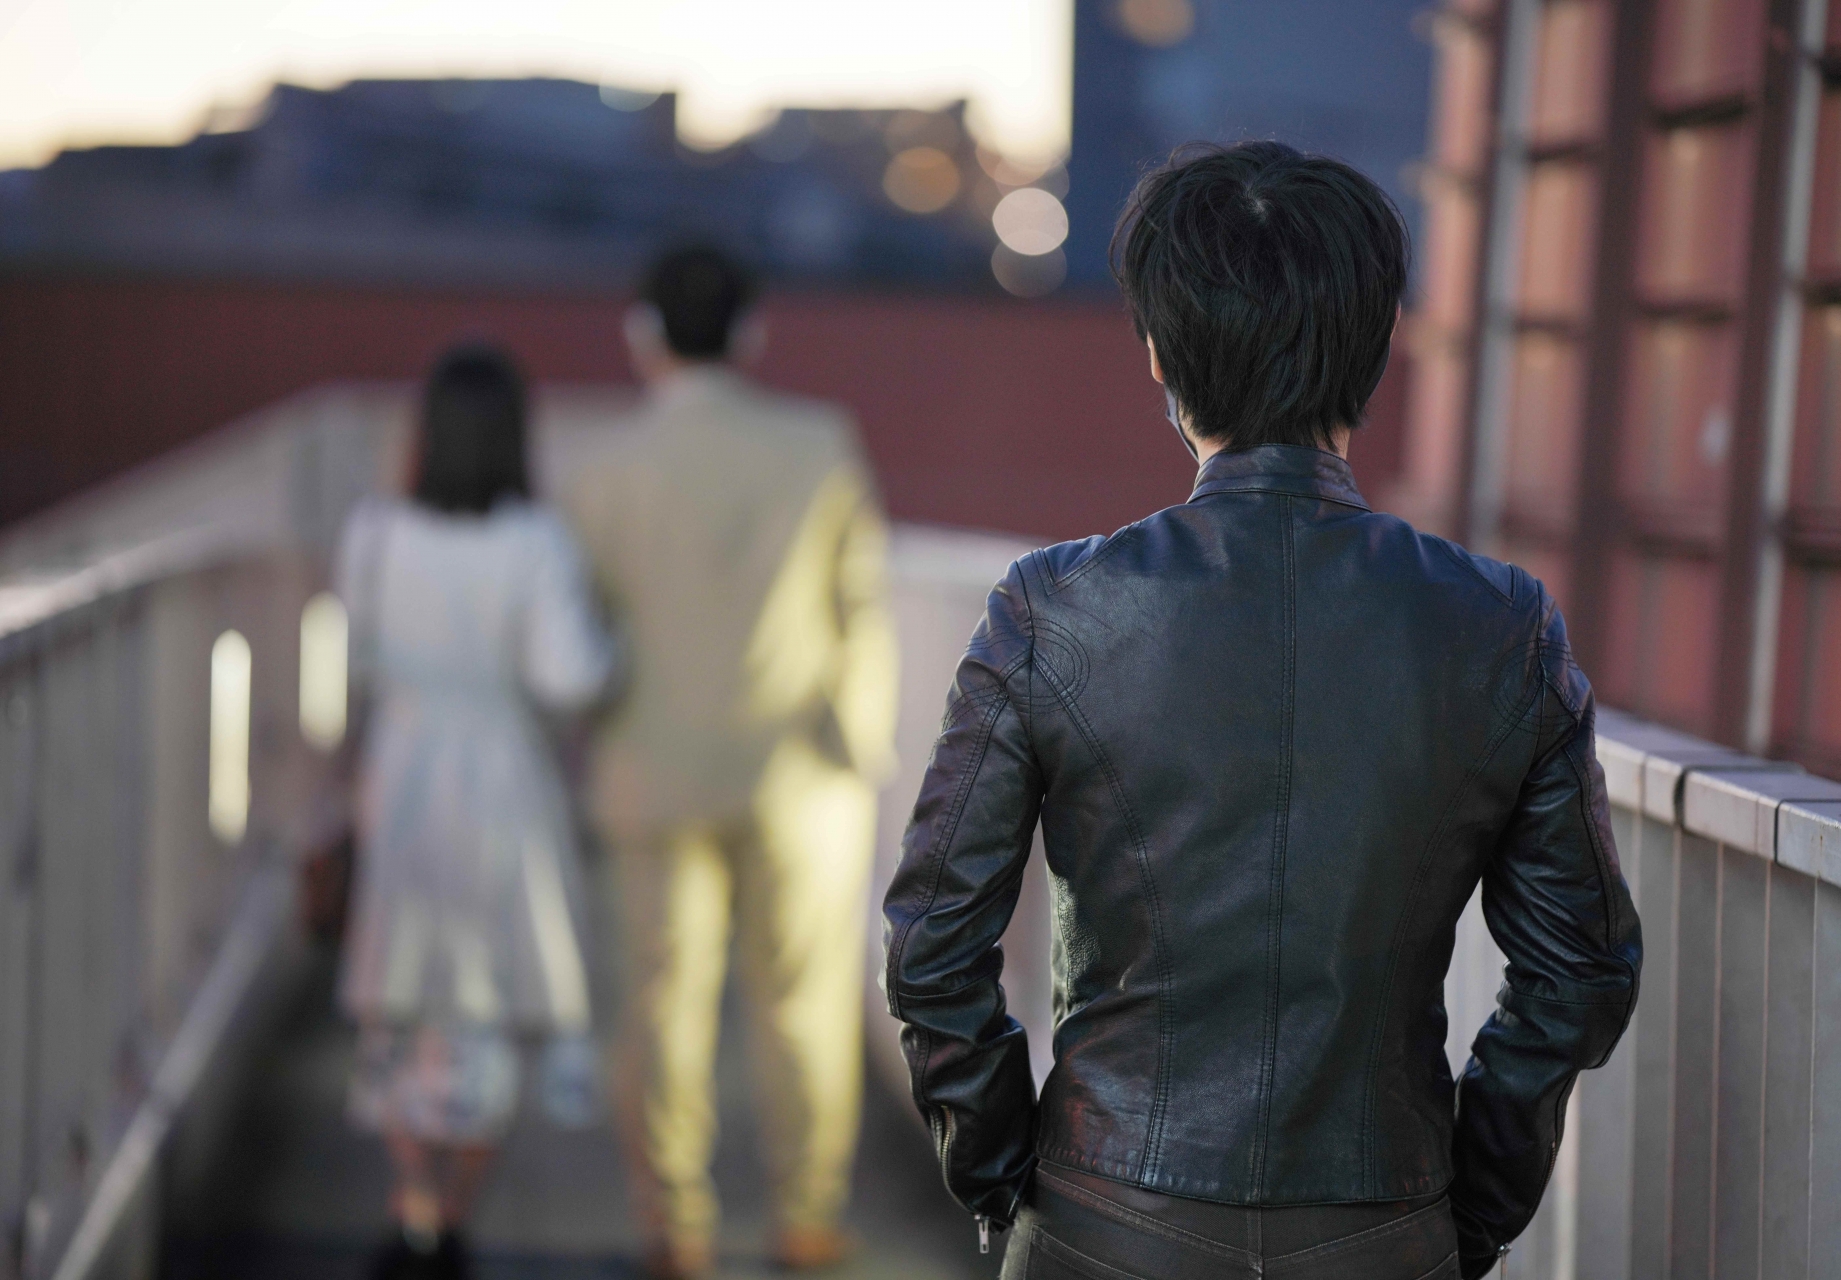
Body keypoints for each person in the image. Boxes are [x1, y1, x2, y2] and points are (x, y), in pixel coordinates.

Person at [883, 141, 1643, 1280]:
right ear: (1376, 347)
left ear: (1159, 351)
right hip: (1385, 1225)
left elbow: (934, 947)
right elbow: (1578, 970)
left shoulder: (1053, 610)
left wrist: (1001, 1176)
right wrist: (1466, 1211)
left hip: (1104, 1217)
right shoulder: (1499, 624)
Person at [569, 246, 898, 1277]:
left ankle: (676, 1227)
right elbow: (861, 601)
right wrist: (860, 744)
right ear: (752, 332)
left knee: (659, 1008)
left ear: (643, 335)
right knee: (802, 1003)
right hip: (799, 775)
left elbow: (580, 633)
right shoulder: (819, 442)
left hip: (649, 769)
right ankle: (806, 1218)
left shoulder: (601, 464)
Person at [336, 343, 613, 1280]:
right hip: (502, 782)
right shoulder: (536, 541)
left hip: (400, 775)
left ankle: (412, 1207)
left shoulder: (374, 533)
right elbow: (567, 677)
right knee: (486, 1009)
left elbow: (356, 656)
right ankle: (448, 1219)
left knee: (398, 998)